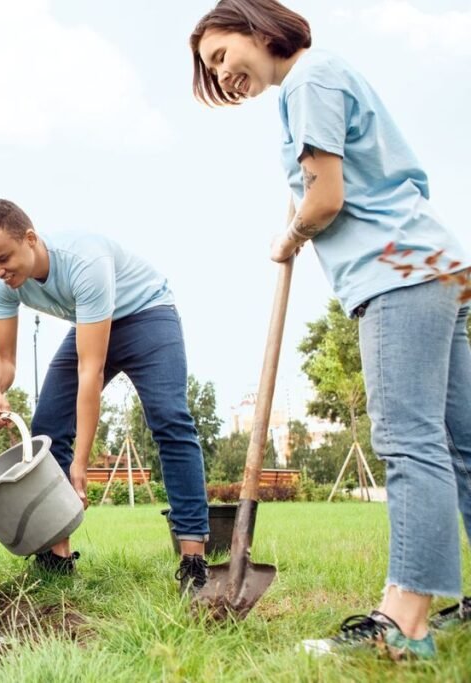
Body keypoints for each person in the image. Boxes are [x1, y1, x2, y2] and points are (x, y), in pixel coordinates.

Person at [190, 0, 471, 659]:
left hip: (396, 271)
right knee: (461, 445)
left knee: (410, 440)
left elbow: (326, 198)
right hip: (438, 265)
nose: (223, 73)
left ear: (255, 28)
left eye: (222, 55)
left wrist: (289, 237)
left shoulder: (310, 82)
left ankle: (404, 624)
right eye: (211, 69)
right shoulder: (327, 76)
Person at [0, 198, 210, 592]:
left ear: (30, 239)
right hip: (92, 323)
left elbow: (90, 372)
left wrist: (81, 463)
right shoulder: (1, 285)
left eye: (3, 258)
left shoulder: (84, 262)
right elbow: (3, 357)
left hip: (147, 314)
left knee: (169, 417)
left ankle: (193, 560)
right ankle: (56, 558)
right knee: (48, 426)